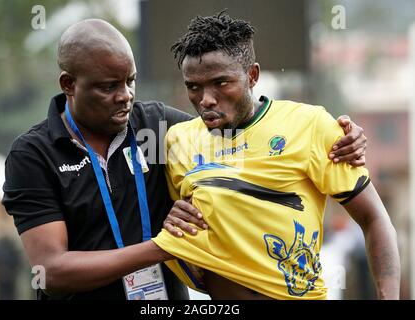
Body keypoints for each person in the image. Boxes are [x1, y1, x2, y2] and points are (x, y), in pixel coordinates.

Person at [1, 18, 367, 300]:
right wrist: (161, 246)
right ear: (68, 84)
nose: (125, 96)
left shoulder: (160, 127)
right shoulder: (34, 154)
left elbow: (245, 132)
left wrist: (343, 137)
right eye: (108, 87)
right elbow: (52, 271)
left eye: (130, 81)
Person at [151, 12, 401, 300]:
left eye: (220, 82)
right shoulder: (175, 140)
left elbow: (374, 219)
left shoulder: (309, 125)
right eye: (193, 86)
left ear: (252, 75)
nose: (206, 98)